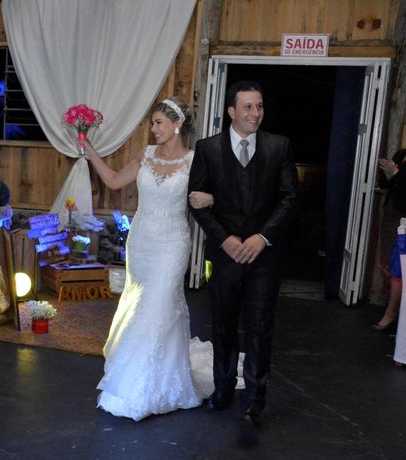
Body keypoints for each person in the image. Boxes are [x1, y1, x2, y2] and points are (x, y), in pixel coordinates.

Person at [84, 97, 215, 421]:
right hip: (141, 242)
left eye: (158, 122)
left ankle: (144, 387)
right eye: (152, 123)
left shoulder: (196, 161)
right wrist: (90, 151)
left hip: (172, 243)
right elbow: (114, 180)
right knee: (139, 305)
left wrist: (210, 197)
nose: (153, 129)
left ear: (177, 124)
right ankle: (136, 374)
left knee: (158, 307)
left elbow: (217, 195)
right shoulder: (146, 155)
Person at [188, 81, 299, 431]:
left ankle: (254, 401)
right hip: (224, 256)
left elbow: (289, 198)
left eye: (259, 106)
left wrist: (262, 237)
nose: (255, 114)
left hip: (264, 258)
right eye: (248, 107)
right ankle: (223, 390)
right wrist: (225, 240)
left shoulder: (279, 146)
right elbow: (196, 200)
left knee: (259, 329)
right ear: (232, 112)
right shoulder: (207, 149)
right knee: (222, 325)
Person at [373, 148, 406, 332]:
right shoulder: (401, 154)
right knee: (386, 264)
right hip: (391, 217)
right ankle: (397, 310)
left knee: (398, 270)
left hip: (404, 220)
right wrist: (386, 172)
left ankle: (392, 314)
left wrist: (395, 174)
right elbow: (387, 186)